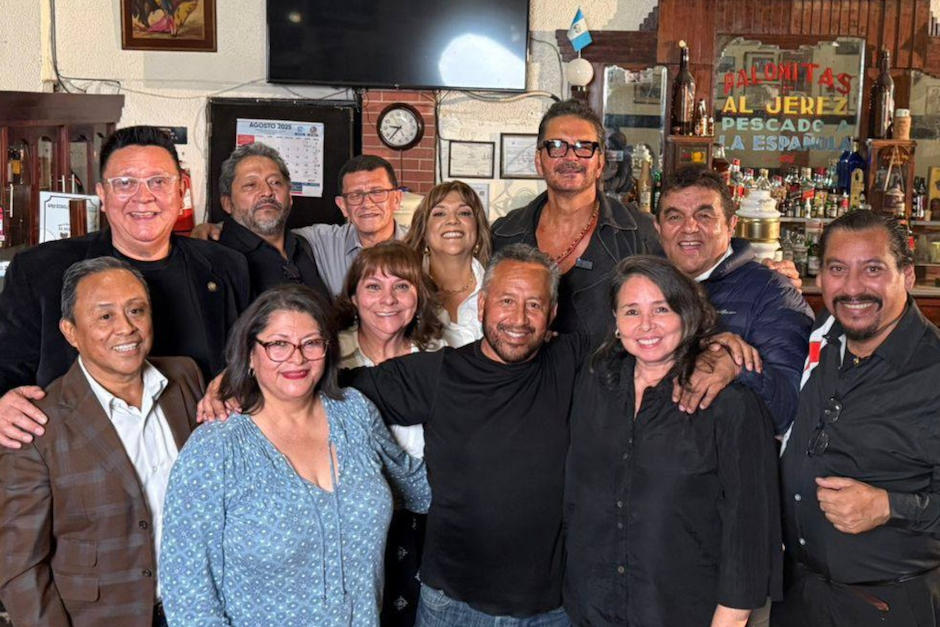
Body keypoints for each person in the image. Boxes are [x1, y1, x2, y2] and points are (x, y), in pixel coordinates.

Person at [345, 244, 590, 625]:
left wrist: (700, 363)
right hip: (452, 605)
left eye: (534, 305)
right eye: (506, 301)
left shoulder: (572, 359)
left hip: (549, 609)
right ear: (483, 305)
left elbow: (649, 349)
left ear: (552, 313)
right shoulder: (438, 373)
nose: (519, 318)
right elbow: (327, 387)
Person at [159, 284, 430, 626]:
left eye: (311, 343)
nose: (297, 358)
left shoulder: (355, 412)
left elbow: (416, 486)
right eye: (278, 344)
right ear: (250, 353)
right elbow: (187, 594)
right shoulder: (215, 448)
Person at [564, 255, 781, 627]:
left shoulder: (730, 405)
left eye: (661, 309)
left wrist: (730, 620)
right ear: (615, 320)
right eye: (631, 311)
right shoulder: (594, 382)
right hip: (592, 608)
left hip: (685, 612)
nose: (646, 325)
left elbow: (749, 529)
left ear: (688, 313)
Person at [0, 125, 249, 449]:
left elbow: (256, 353)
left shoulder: (227, 266)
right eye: (125, 183)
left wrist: (238, 380)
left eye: (158, 181)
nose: (143, 197)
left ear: (181, 191)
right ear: (102, 195)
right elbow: (5, 366)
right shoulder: (41, 271)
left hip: (200, 454)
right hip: (83, 459)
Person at [0, 257, 204, 627]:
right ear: (70, 331)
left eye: (136, 310)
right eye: (105, 316)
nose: (126, 328)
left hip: (196, 611)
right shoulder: (34, 424)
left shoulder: (186, 378)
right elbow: (19, 566)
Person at [773, 210, 940, 626]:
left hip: (887, 607)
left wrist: (889, 506)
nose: (852, 288)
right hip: (798, 597)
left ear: (907, 275)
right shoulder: (823, 335)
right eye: (837, 269)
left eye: (872, 269)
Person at [333, 241, 444, 626]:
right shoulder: (326, 359)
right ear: (353, 297)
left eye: (402, 286)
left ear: (419, 296)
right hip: (349, 523)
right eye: (373, 286)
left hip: (426, 523)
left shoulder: (441, 356)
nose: (388, 299)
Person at [656, 166, 813, 433]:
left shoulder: (773, 292)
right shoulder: (641, 288)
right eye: (674, 217)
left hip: (727, 455)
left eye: (704, 216)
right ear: (658, 228)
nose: (689, 228)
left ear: (731, 225)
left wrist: (740, 369)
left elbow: (791, 408)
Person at [491, 99, 663, 335]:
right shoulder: (503, 234)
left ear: (600, 162)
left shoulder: (641, 233)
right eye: (557, 146)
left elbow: (674, 313)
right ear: (539, 161)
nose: (571, 158)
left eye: (583, 146)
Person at [217, 142, 330, 297]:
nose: (267, 192)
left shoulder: (303, 246)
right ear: (227, 203)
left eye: (275, 182)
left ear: (290, 197)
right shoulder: (218, 260)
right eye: (251, 185)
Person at [403, 180, 491, 346]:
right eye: (439, 213)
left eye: (464, 213)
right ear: (423, 231)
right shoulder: (402, 288)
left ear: (478, 229)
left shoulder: (499, 288)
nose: (452, 220)